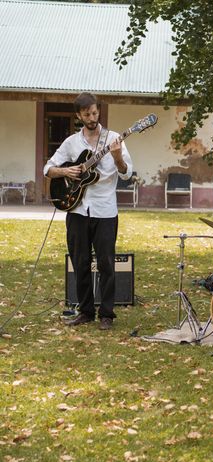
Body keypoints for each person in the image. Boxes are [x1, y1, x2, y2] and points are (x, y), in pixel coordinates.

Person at [44, 92, 133, 330]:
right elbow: (48, 168)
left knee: (106, 264)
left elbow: (126, 173)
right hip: (77, 209)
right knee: (79, 261)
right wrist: (66, 172)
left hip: (105, 210)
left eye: (95, 112)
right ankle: (85, 311)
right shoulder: (71, 143)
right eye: (87, 114)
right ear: (79, 115)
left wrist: (116, 158)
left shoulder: (114, 139)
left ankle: (106, 313)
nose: (92, 117)